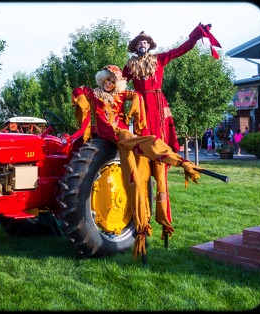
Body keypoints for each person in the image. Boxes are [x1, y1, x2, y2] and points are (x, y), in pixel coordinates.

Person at [71, 65, 202, 259]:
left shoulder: (121, 95)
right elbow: (78, 90)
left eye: (113, 81)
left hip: (120, 134)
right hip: (101, 134)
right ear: (101, 80)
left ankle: (174, 162)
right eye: (106, 80)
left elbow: (136, 95)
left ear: (117, 84)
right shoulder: (95, 94)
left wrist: (137, 103)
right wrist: (81, 100)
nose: (109, 84)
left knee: (139, 161)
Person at [122, 23, 220, 241]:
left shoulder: (159, 59)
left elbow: (181, 50)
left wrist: (195, 37)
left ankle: (164, 220)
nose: (142, 45)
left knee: (161, 159)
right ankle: (141, 218)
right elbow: (117, 83)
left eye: (145, 42)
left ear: (149, 45)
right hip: (141, 110)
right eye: (139, 43)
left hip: (157, 107)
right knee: (143, 156)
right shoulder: (129, 66)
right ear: (135, 47)